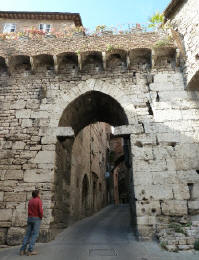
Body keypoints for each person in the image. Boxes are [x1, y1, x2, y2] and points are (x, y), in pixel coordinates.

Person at [19, 190, 43, 256]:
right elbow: (40, 211)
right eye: (39, 194)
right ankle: (30, 250)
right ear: (37, 194)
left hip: (30, 218)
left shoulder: (30, 200)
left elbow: (28, 209)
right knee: (34, 234)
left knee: (27, 234)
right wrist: (41, 217)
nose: (40, 195)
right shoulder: (39, 200)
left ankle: (22, 250)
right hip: (36, 218)